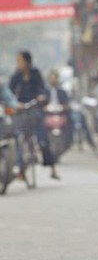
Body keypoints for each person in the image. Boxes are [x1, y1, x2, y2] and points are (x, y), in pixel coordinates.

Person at [9, 51, 58, 180]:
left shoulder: (36, 74)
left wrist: (42, 97)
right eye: (17, 61)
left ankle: (52, 167)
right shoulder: (16, 76)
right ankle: (20, 169)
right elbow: (9, 91)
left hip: (34, 108)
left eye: (20, 61)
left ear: (27, 61)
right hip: (21, 110)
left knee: (42, 139)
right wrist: (14, 103)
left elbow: (42, 89)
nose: (18, 64)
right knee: (19, 138)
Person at [44, 70, 71, 158]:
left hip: (60, 115)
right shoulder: (45, 92)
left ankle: (69, 142)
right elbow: (41, 105)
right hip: (48, 115)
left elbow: (67, 104)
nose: (53, 81)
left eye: (55, 79)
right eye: (51, 79)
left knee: (72, 123)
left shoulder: (62, 92)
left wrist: (64, 107)